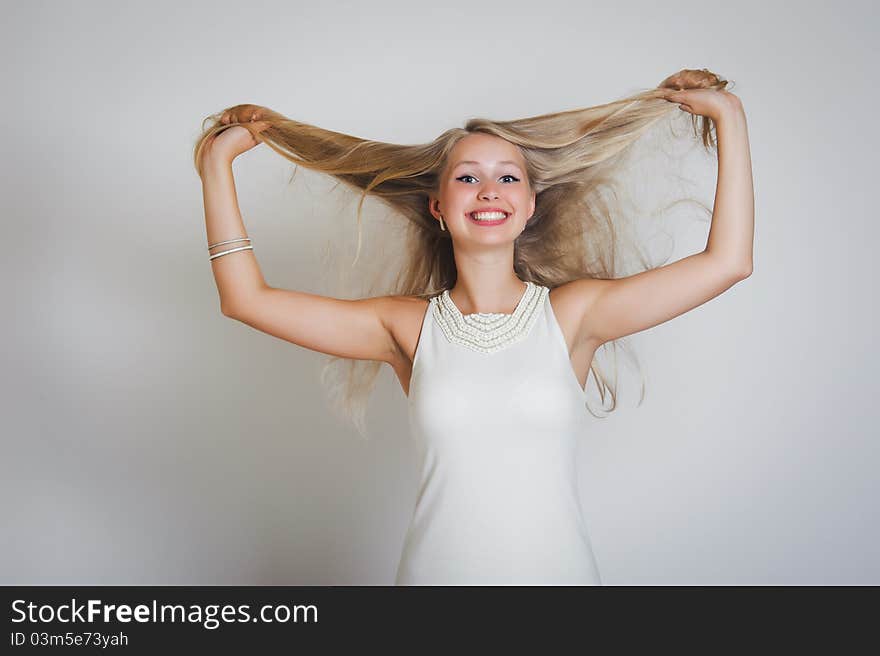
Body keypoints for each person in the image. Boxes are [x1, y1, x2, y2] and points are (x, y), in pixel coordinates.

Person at [193, 68, 754, 585]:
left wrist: (729, 116)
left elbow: (729, 262)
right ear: (438, 205)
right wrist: (217, 168)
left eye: (508, 177)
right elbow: (245, 300)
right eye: (468, 177)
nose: (489, 190)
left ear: (530, 205)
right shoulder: (405, 326)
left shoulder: (573, 316)